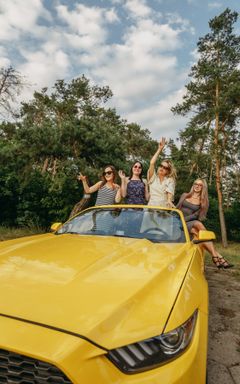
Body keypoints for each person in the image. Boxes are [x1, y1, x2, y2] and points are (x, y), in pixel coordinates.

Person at [176, 179, 234, 269]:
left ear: (203, 188)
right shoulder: (185, 195)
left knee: (199, 227)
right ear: (193, 185)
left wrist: (183, 220)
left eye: (200, 185)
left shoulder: (203, 201)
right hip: (178, 222)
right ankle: (218, 257)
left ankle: (216, 256)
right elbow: (177, 208)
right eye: (196, 184)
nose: (197, 186)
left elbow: (195, 215)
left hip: (188, 222)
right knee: (200, 232)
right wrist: (179, 219)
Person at [147, 137, 176, 207]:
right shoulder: (153, 177)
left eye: (165, 168)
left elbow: (170, 191)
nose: (162, 168)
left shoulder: (170, 180)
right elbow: (152, 163)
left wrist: (169, 200)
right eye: (161, 166)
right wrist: (159, 149)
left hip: (164, 210)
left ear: (168, 171)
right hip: (151, 208)